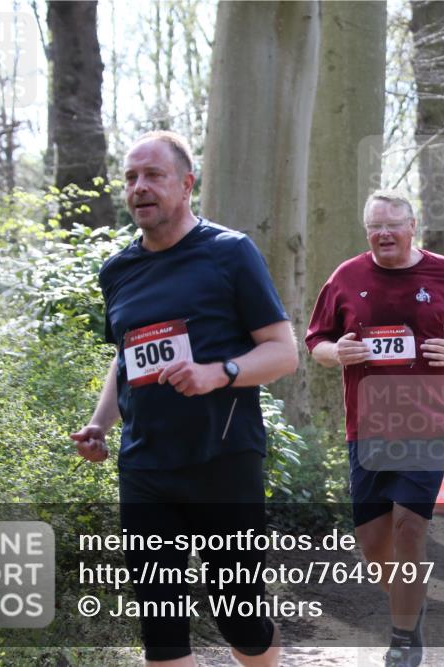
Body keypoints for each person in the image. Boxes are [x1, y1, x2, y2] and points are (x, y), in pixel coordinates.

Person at [71, 130, 297, 667]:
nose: (139, 188)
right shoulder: (118, 270)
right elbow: (124, 358)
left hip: (223, 458)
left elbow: (283, 352)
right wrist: (100, 423)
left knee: (238, 614)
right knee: (160, 624)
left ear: (187, 184)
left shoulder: (229, 253)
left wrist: (219, 372)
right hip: (145, 464)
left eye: (153, 176)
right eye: (130, 178)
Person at [305, 191, 444, 667]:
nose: (383, 234)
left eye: (392, 225)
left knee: (410, 528)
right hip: (367, 424)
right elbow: (316, 342)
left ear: (413, 226)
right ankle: (411, 595)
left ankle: (404, 640)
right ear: (367, 231)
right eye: (374, 227)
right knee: (373, 546)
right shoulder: (346, 278)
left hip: (427, 421)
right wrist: (337, 353)